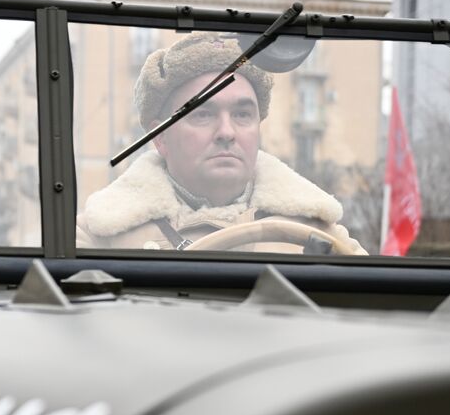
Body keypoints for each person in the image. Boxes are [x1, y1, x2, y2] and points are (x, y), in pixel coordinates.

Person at [76, 33, 365, 254]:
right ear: (160, 136)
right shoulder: (96, 234)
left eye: (242, 114)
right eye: (202, 114)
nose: (227, 131)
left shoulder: (321, 234)